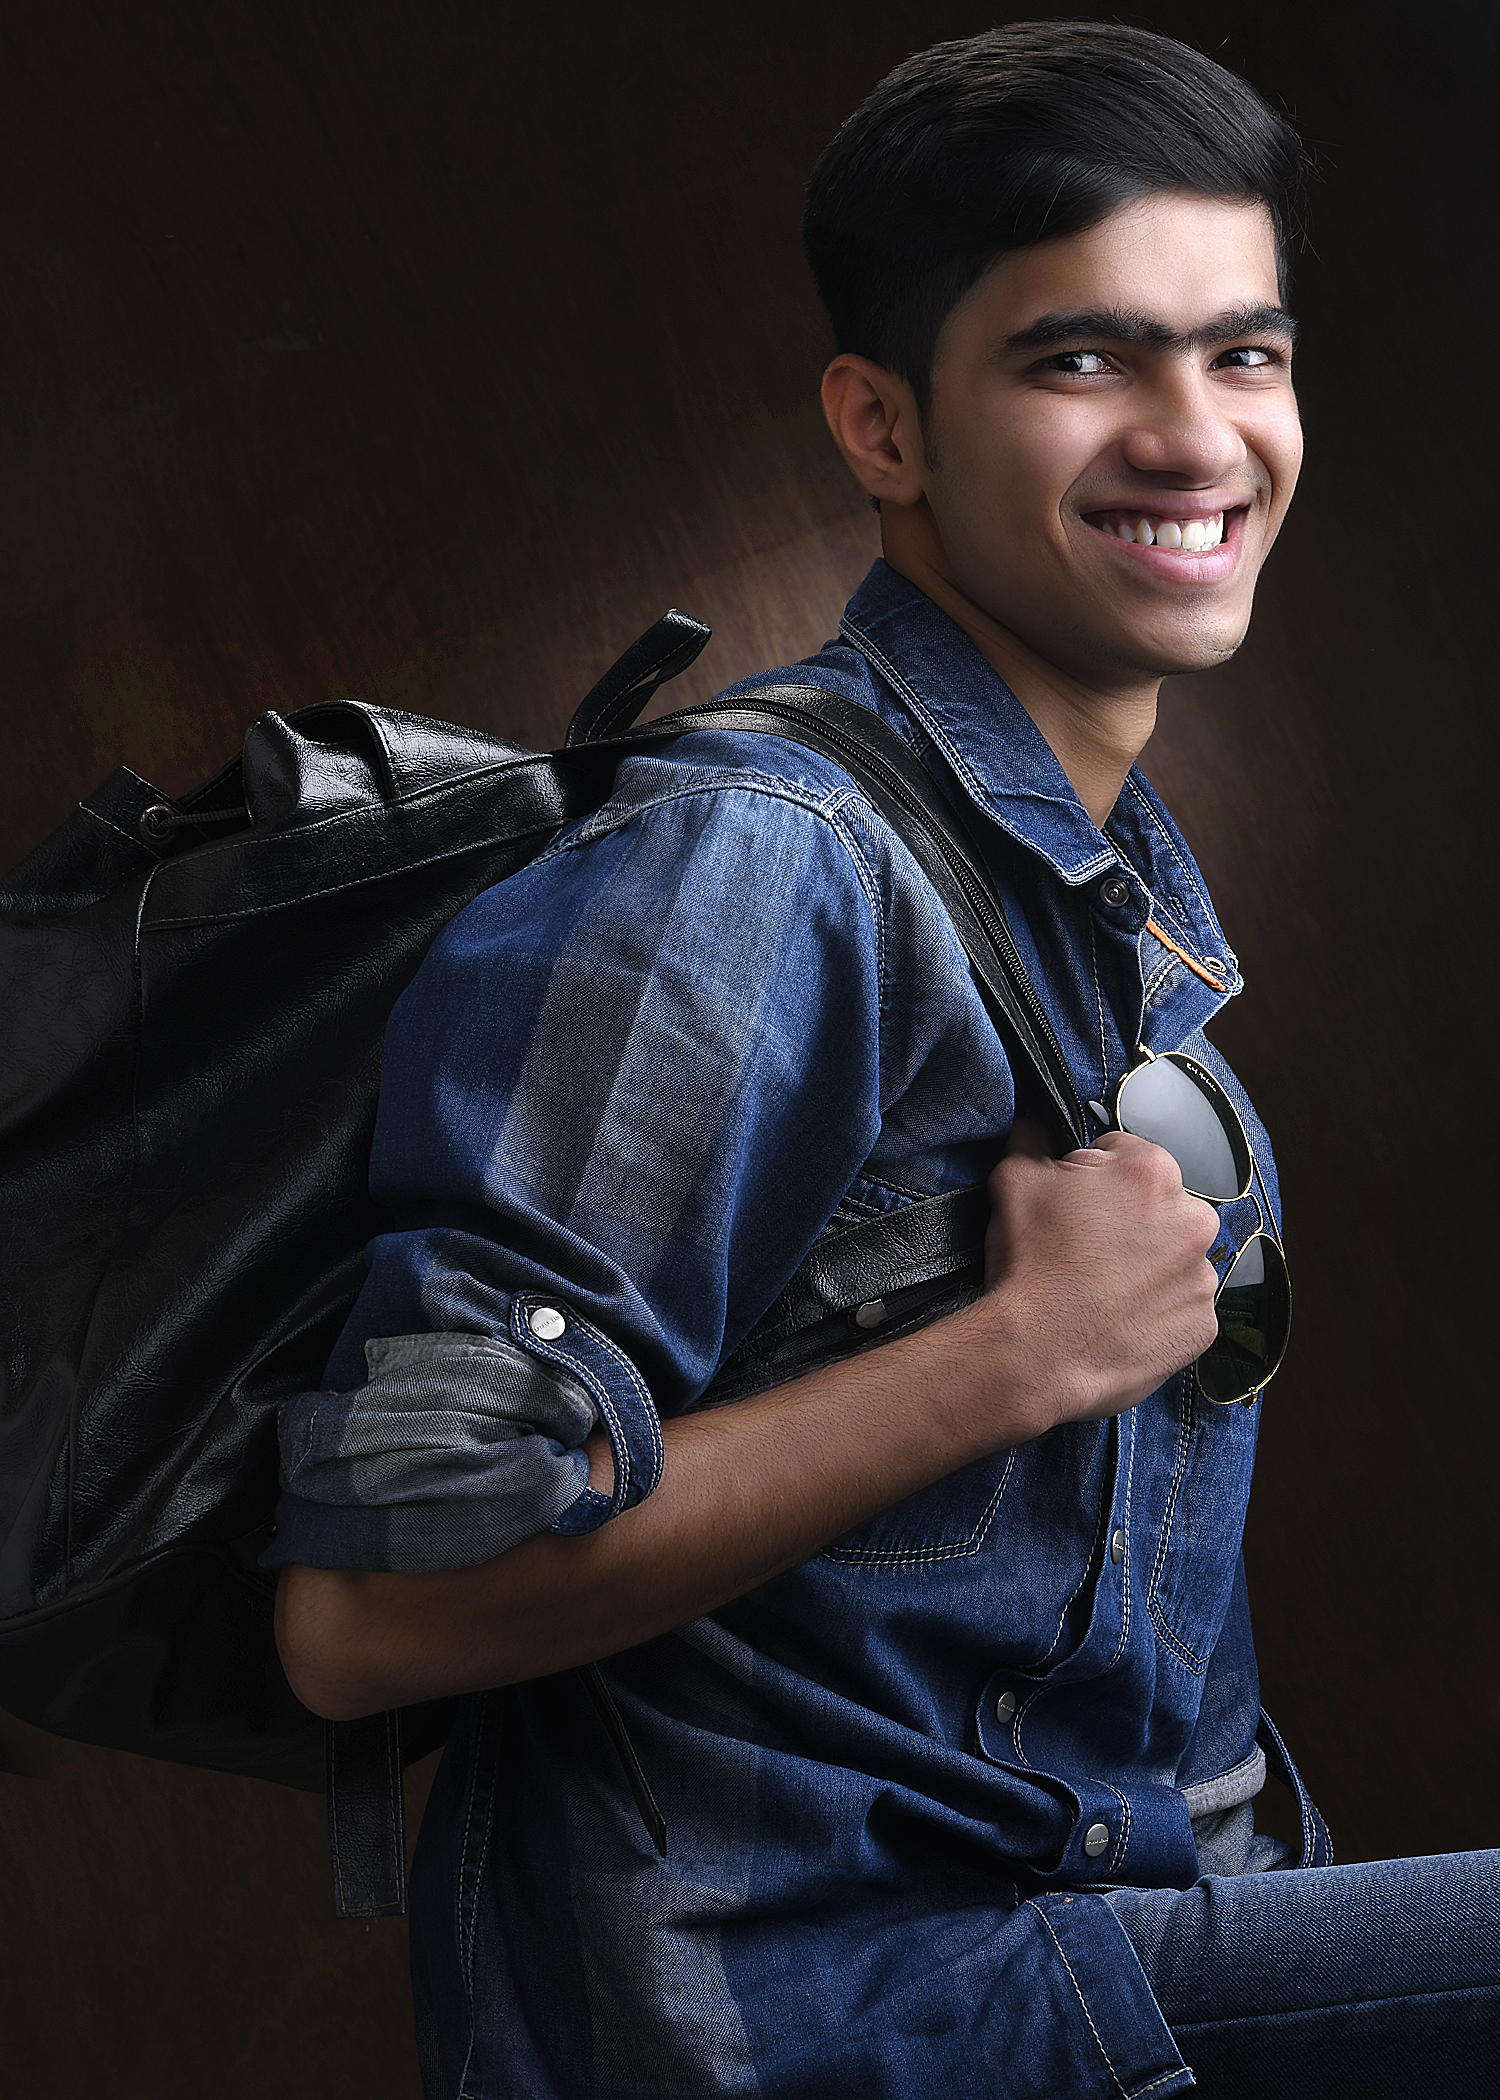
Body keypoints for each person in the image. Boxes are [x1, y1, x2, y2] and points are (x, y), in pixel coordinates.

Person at [268, 21, 1500, 2096]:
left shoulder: (1091, 889)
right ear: (883, 425)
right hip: (835, 2018)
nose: (1196, 437)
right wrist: (1017, 1354)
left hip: (1105, 1952)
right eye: (1083, 359)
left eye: (1247, 354)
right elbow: (371, 1617)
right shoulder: (754, 869)